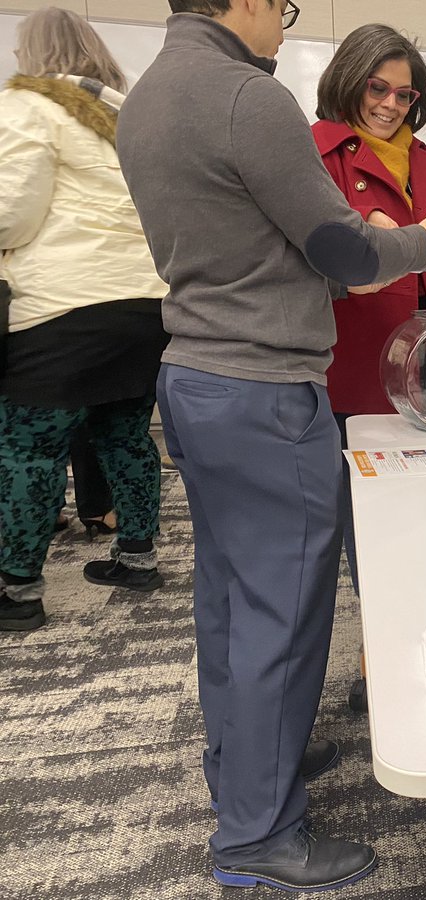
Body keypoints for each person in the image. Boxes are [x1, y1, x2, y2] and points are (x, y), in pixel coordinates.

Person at [116, 0, 426, 891]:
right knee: (283, 612)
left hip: (194, 371)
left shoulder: (150, 94)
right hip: (266, 388)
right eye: (281, 6)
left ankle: (243, 778)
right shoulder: (248, 96)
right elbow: (342, 254)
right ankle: (258, 835)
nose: (281, 23)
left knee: (230, 602)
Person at [0, 7, 170, 634]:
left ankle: (18, 591)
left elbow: (9, 214)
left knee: (28, 449)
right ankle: (137, 557)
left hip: (62, 312)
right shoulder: (129, 119)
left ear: (34, 54)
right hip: (144, 309)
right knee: (125, 436)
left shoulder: (27, 105)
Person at [312, 24, 426, 591]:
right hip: (356, 356)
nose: (390, 104)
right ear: (349, 82)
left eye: (405, 94)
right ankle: (382, 617)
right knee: (367, 508)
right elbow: (315, 255)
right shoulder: (318, 152)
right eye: (377, 88)